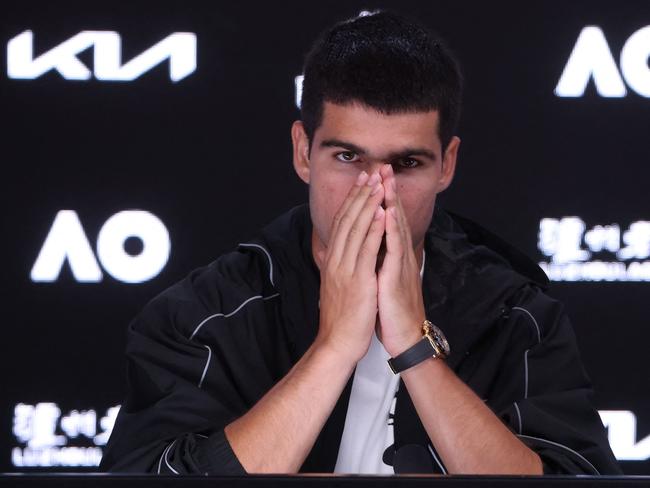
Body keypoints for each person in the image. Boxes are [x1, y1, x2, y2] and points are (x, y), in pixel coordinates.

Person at [100, 11, 620, 475]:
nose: (376, 190)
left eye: (407, 163)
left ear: (448, 165)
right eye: (348, 157)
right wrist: (335, 347)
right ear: (304, 152)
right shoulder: (205, 315)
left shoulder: (516, 313)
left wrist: (416, 351)